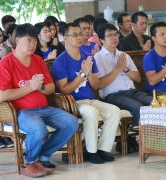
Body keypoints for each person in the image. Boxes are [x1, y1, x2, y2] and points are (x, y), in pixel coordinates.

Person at [0, 23, 78, 178]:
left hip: (44, 108)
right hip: (19, 111)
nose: (33, 45)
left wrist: (39, 88)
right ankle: (30, 162)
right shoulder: (5, 63)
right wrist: (31, 87)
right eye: (28, 41)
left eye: (34, 41)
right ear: (17, 40)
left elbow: (51, 88)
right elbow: (1, 96)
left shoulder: (38, 60)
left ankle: (43, 156)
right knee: (39, 129)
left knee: (72, 123)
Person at [52, 22, 121, 164]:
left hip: (89, 99)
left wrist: (89, 74)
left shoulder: (87, 56)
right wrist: (83, 74)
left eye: (81, 34)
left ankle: (103, 149)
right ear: (65, 38)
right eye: (75, 35)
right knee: (91, 112)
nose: (80, 37)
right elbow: (64, 89)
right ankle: (92, 151)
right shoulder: (60, 61)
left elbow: (96, 85)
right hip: (71, 103)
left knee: (114, 111)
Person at [94, 23, 152, 127]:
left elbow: (138, 79)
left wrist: (125, 69)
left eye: (115, 34)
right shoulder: (98, 58)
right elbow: (99, 84)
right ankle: (133, 137)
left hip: (132, 91)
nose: (114, 38)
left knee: (154, 102)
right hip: (113, 95)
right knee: (138, 107)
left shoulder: (124, 55)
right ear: (101, 40)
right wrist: (117, 69)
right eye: (109, 35)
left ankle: (156, 136)